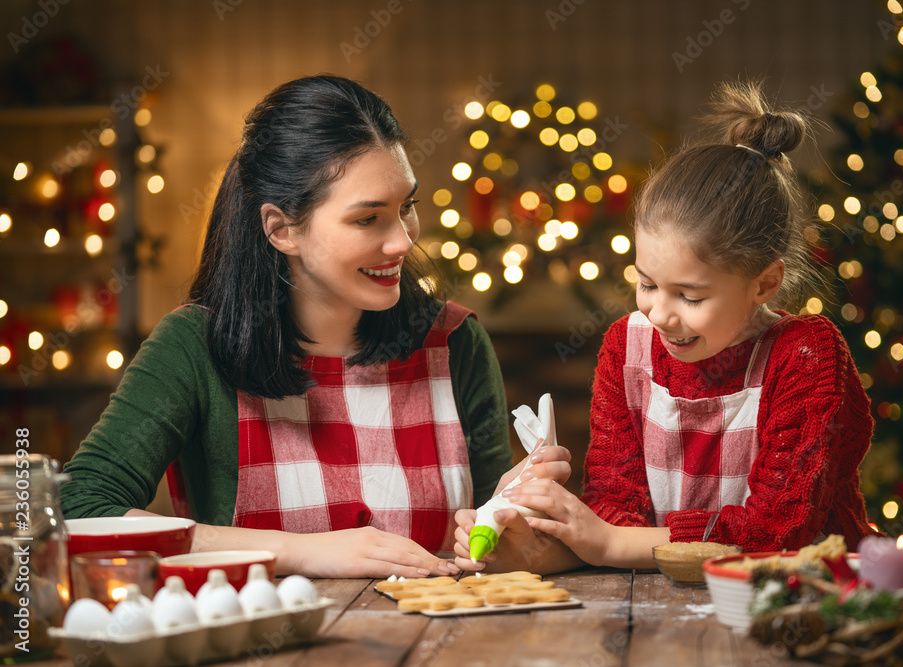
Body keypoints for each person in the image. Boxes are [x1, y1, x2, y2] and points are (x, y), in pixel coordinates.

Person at [61, 75, 570, 579]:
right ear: (282, 230)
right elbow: (79, 508)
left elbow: (489, 552)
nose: (403, 242)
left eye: (406, 207)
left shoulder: (456, 343)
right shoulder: (192, 347)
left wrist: (508, 522)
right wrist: (302, 552)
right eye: (368, 219)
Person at [453, 81, 878, 574]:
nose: (659, 314)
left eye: (690, 296)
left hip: (801, 596)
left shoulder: (806, 355)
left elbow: (775, 534)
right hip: (661, 592)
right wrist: (548, 545)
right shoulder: (627, 347)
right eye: (647, 284)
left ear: (764, 284)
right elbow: (614, 503)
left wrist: (610, 544)